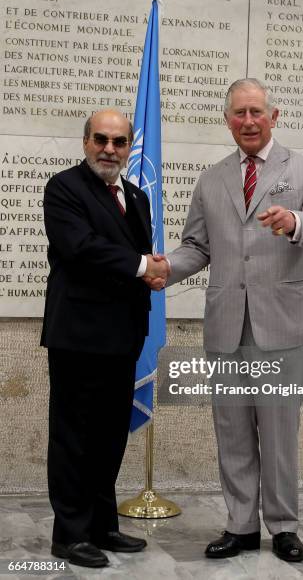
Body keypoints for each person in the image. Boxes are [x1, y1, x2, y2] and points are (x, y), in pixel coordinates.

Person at [166, 79, 303, 561]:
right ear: (227, 121)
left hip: (281, 326)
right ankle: (240, 526)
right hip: (226, 325)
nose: (248, 121)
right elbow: (197, 246)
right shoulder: (212, 179)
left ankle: (282, 526)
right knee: (233, 430)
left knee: (280, 433)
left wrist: (294, 222)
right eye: (238, 113)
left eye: (256, 111)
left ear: (273, 116)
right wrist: (162, 270)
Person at [41, 109, 169, 568]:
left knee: (110, 435)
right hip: (77, 335)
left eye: (119, 142)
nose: (109, 149)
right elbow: (81, 248)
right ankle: (70, 533)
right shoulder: (64, 188)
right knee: (74, 436)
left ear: (129, 147)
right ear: (85, 142)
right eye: (101, 139)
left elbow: (134, 256)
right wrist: (142, 267)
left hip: (123, 334)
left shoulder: (135, 196)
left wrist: (150, 274)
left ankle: (102, 525)